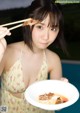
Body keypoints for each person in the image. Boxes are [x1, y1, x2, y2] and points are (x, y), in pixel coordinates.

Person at [0, 0, 68, 113]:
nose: (46, 36)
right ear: (28, 25)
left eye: (53, 29)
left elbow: (56, 106)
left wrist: (62, 93)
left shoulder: (53, 59)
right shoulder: (9, 52)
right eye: (40, 27)